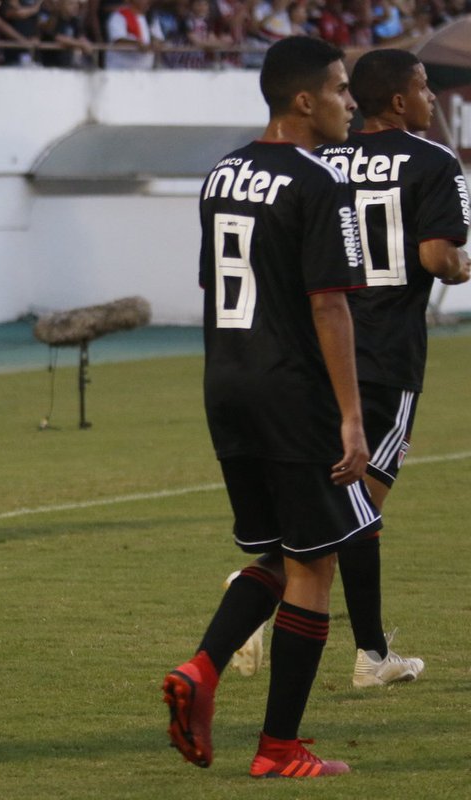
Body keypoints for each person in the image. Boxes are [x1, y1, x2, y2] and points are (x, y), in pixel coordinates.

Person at [163, 36, 379, 779]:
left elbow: (211, 288)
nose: (352, 103)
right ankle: (279, 748)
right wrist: (352, 417)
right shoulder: (319, 182)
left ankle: (202, 669)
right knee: (316, 566)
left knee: (280, 554)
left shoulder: (223, 173)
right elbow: (331, 308)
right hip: (293, 392)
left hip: (227, 385)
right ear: (303, 100)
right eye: (343, 89)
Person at [316, 48, 470, 685]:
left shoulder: (321, 159)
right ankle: (364, 652)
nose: (432, 98)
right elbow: (440, 259)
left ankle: (371, 652)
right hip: (384, 355)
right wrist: (463, 267)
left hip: (318, 349)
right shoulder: (434, 160)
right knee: (357, 507)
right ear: (400, 102)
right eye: (425, 87)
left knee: (341, 502)